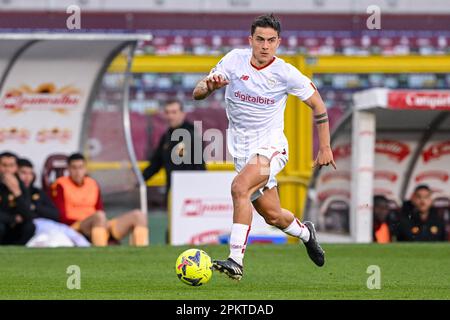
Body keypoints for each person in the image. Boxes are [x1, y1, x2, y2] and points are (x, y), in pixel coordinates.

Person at [192, 14, 335, 280]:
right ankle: (306, 233)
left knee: (238, 187)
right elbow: (198, 90)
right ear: (251, 40)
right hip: (242, 150)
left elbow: (318, 105)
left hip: (271, 147)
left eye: (271, 40)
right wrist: (208, 87)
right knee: (273, 216)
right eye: (260, 39)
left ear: (278, 42)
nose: (265, 46)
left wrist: (324, 146)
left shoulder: (285, 72)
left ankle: (236, 260)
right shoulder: (234, 60)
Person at [51, 153, 149, 246]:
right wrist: (96, 220)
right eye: (74, 168)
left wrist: (103, 224)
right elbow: (60, 215)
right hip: (75, 227)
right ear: (68, 169)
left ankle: (140, 254)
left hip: (99, 224)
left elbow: (99, 208)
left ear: (85, 169)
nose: (78, 172)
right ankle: (101, 253)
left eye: (81, 167)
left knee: (138, 216)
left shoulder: (92, 183)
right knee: (99, 217)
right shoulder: (60, 185)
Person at [142, 99, 206, 202]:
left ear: (182, 113)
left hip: (191, 195)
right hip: (172, 193)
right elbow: (156, 164)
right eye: (167, 112)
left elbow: (199, 167)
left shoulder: (192, 134)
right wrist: (139, 180)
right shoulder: (166, 136)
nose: (170, 116)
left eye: (174, 112)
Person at [17, 158, 90, 247]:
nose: (27, 177)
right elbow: (26, 213)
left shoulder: (37, 192)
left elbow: (55, 213)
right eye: (23, 173)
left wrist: (35, 208)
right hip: (33, 226)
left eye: (30, 173)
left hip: (49, 223)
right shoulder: (14, 192)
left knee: (76, 238)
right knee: (56, 240)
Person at [0, 152, 35, 245]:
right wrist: (12, 218)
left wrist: (17, 192)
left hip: (15, 228)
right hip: (4, 224)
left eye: (11, 165)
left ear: (16, 168)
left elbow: (29, 215)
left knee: (30, 226)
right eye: (4, 165)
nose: (7, 169)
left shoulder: (21, 185)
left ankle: (18, 251)